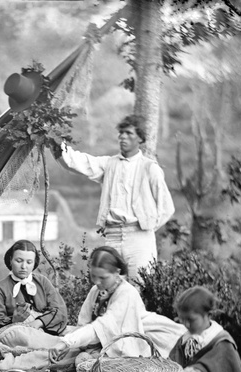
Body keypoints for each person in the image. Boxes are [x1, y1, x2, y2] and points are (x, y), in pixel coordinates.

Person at [53, 115, 175, 277]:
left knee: (140, 286)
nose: (123, 137)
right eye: (121, 133)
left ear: (140, 138)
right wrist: (53, 138)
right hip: (113, 236)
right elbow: (76, 161)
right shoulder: (109, 164)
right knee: (109, 285)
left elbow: (167, 208)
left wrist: (146, 226)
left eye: (129, 133)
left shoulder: (149, 168)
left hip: (139, 238)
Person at [51, 247, 184, 367]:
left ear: (117, 273)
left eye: (103, 277)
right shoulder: (95, 291)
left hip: (142, 338)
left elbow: (102, 326)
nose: (97, 282)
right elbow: (84, 323)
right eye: (93, 276)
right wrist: (72, 343)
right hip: (103, 342)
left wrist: (67, 342)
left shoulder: (127, 293)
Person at [0, 240, 69, 348]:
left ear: (34, 263)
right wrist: (14, 321)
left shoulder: (42, 282)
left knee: (76, 333)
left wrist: (38, 323)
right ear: (10, 260)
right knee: (20, 337)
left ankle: (48, 343)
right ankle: (49, 345)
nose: (24, 266)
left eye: (29, 262)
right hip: (17, 333)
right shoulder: (0, 289)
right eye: (19, 261)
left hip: (44, 328)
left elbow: (60, 310)